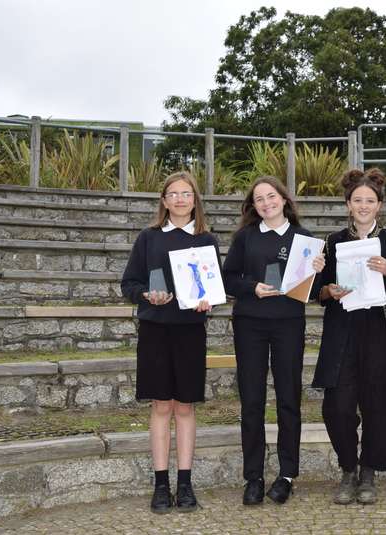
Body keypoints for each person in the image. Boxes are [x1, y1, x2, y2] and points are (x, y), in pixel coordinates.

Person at [312, 168, 386, 505]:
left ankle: (368, 471)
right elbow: (319, 291)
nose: (364, 205)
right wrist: (328, 288)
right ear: (348, 204)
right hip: (342, 332)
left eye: (370, 200)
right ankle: (348, 467)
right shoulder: (333, 241)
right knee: (336, 406)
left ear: (380, 204)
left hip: (379, 333)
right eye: (358, 200)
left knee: (377, 405)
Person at [121, 171, 219, 514]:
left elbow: (212, 288)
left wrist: (209, 301)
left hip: (190, 330)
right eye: (173, 194)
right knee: (161, 406)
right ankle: (161, 483)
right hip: (155, 330)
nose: (180, 199)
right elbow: (129, 284)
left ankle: (185, 483)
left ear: (195, 200)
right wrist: (147, 294)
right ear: (164, 201)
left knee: (185, 407)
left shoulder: (206, 239)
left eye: (186, 193)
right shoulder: (149, 238)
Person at [223, 176, 325, 506]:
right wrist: (251, 287)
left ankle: (286, 475)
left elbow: (312, 288)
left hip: (288, 325)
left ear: (284, 199)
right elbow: (227, 278)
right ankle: (253, 477)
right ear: (253, 207)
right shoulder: (245, 237)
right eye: (259, 200)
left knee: (288, 400)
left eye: (271, 197)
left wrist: (320, 269)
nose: (266, 203)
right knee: (251, 402)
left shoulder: (304, 239)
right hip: (250, 324)